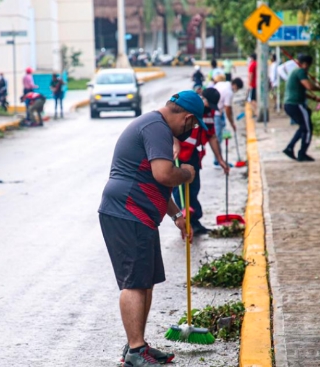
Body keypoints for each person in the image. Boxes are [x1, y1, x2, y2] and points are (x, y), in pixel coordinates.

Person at [98, 90, 206, 366]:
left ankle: (138, 346)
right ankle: (135, 351)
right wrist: (188, 174)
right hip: (127, 212)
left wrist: (176, 216)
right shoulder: (156, 127)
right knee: (134, 282)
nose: (192, 130)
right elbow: (165, 175)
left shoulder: (156, 127)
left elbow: (155, 184)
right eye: (193, 125)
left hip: (139, 215)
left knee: (145, 281)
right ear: (188, 117)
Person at [173, 87, 230, 235]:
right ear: (201, 98)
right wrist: (175, 143)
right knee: (179, 191)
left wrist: (220, 160)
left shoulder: (209, 113)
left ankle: (194, 219)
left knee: (194, 188)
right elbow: (169, 126)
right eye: (207, 105)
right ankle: (187, 221)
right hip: (176, 155)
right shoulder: (187, 108)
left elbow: (211, 136)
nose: (208, 109)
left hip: (192, 155)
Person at [282, 54, 320, 162]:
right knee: (307, 129)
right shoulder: (300, 71)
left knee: (304, 127)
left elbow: (299, 90)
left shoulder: (294, 71)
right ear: (306, 64)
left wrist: (313, 98)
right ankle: (300, 152)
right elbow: (309, 86)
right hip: (296, 104)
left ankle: (292, 148)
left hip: (290, 104)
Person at [213, 74, 237, 167]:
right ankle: (218, 161)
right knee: (217, 139)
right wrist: (232, 123)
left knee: (219, 138)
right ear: (235, 86)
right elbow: (228, 109)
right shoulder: (229, 91)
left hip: (219, 114)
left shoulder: (224, 85)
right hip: (216, 115)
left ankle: (219, 160)